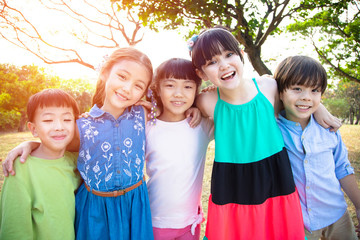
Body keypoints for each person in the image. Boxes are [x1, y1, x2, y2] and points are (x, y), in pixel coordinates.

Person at [189, 27, 341, 239]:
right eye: (212, 62)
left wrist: (320, 108)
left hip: (274, 180)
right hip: (233, 185)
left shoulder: (268, 87)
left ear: (241, 54)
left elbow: (297, 100)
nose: (223, 65)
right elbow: (181, 106)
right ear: (201, 73)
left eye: (229, 54)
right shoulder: (207, 102)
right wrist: (193, 108)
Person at [2, 47, 155, 240]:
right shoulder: (81, 126)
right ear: (105, 73)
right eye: (122, 77)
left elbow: (180, 105)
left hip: (135, 206)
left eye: (138, 86)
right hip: (95, 212)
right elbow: (56, 145)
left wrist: (197, 110)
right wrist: (29, 144)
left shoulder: (144, 114)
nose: (127, 88)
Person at [275, 55, 360, 240]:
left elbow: (342, 168)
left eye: (314, 90)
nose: (306, 97)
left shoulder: (328, 129)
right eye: (297, 88)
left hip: (336, 214)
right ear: (280, 92)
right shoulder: (273, 130)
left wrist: (359, 206)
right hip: (298, 222)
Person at [145, 58, 214, 240]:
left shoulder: (201, 125)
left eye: (188, 87)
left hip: (190, 224)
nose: (178, 94)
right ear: (157, 89)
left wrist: (200, 103)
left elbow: (231, 102)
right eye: (170, 85)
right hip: (154, 222)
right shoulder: (147, 126)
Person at [0, 89, 82, 239]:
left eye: (67, 120)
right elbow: (14, 230)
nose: (59, 126)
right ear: (33, 129)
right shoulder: (20, 169)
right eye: (48, 120)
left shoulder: (78, 162)